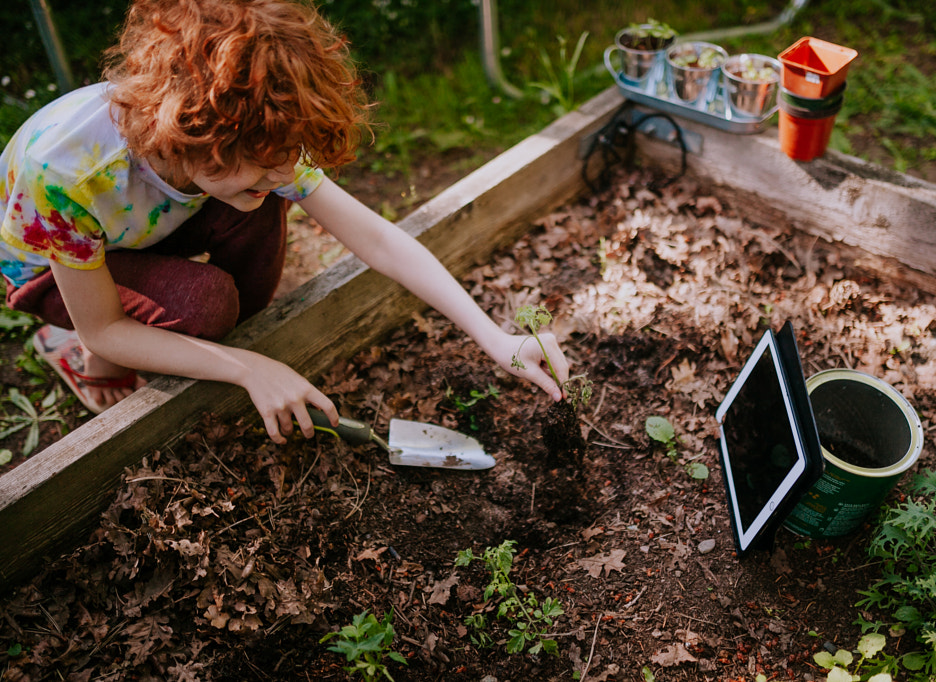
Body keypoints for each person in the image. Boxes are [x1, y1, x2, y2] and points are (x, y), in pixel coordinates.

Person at [0, 0, 569, 444]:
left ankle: (188, 331)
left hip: (156, 222)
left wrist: (495, 338)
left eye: (282, 166)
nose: (279, 175)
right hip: (46, 264)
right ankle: (80, 360)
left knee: (258, 214)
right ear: (197, 134)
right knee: (205, 305)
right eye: (261, 170)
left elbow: (377, 237)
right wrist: (248, 369)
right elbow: (104, 325)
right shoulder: (62, 172)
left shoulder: (250, 143)